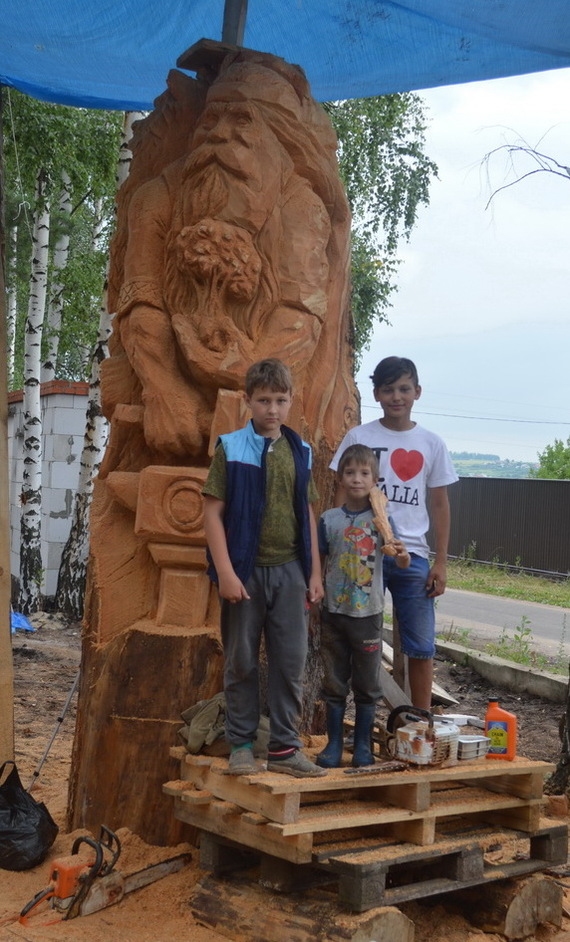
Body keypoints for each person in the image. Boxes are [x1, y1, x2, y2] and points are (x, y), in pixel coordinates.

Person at [203, 358, 327, 778]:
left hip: (291, 572)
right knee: (240, 659)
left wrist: (314, 574)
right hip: (244, 573)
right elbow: (212, 514)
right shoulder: (232, 448)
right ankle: (240, 744)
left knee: (290, 662)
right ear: (248, 401)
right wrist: (225, 573)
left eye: (280, 400)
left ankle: (284, 748)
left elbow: (308, 514)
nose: (272, 409)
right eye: (263, 400)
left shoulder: (300, 450)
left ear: (291, 402)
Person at [330, 356, 458, 711]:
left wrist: (441, 563)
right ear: (377, 394)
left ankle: (420, 719)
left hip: (412, 555)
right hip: (362, 553)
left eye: (404, 388)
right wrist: (338, 550)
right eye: (388, 389)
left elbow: (440, 504)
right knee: (359, 636)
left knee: (420, 644)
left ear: (417, 391)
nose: (396, 396)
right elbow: (342, 492)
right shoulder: (360, 436)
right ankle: (362, 716)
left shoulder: (431, 443)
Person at [317, 445, 410, 768]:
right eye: (350, 472)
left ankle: (362, 748)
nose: (357, 479)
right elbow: (320, 559)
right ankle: (333, 746)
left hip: (367, 616)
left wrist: (398, 551)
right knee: (333, 682)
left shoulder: (382, 521)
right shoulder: (329, 520)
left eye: (364, 473)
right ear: (341, 478)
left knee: (367, 685)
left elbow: (398, 559)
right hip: (333, 614)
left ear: (376, 480)